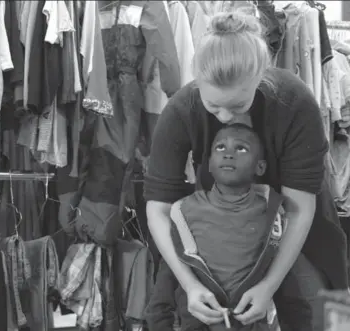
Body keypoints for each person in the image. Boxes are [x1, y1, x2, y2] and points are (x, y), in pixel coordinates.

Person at [144, 10, 348, 331]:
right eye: (213, 107)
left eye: (238, 106)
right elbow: (158, 206)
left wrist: (269, 285)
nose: (224, 116)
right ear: (198, 81)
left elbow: (300, 208)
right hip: (220, 224)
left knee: (319, 314)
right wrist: (190, 284)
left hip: (300, 220)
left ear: (260, 78)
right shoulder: (181, 109)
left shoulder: (295, 101)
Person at [146, 123, 284, 331]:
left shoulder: (272, 212)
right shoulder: (185, 210)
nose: (228, 154)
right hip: (196, 321)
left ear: (260, 167)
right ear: (209, 164)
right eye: (220, 147)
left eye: (241, 148)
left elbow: (280, 270)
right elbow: (170, 271)